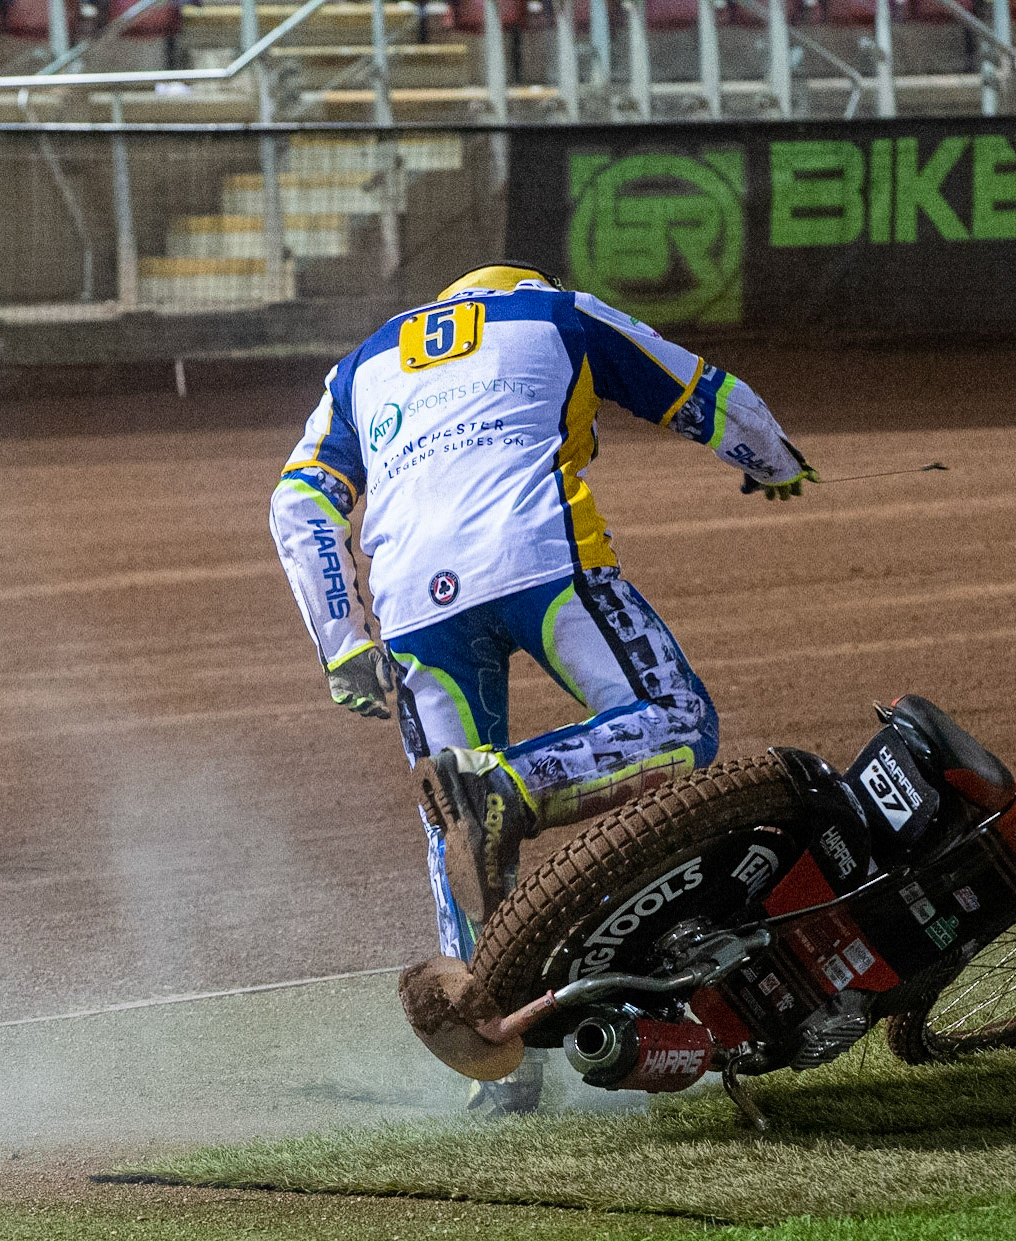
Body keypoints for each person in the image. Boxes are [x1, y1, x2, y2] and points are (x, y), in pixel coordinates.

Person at [269, 262, 815, 1112]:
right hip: (543, 561)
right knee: (675, 723)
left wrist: (342, 645)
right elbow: (697, 388)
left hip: (412, 604)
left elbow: (297, 502)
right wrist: (772, 458)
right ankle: (516, 787)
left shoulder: (359, 368)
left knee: (454, 824)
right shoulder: (558, 311)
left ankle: (498, 1056)